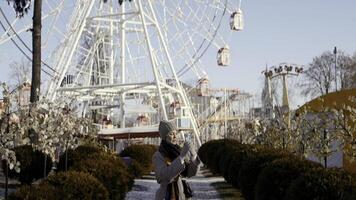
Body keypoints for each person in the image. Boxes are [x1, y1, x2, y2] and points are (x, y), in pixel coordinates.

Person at [152, 120, 201, 200]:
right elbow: (164, 176)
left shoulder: (179, 151)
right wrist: (181, 157)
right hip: (166, 195)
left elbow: (189, 173)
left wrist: (194, 156)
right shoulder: (158, 155)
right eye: (171, 134)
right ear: (164, 137)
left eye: (176, 133)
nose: (175, 136)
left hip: (183, 194)